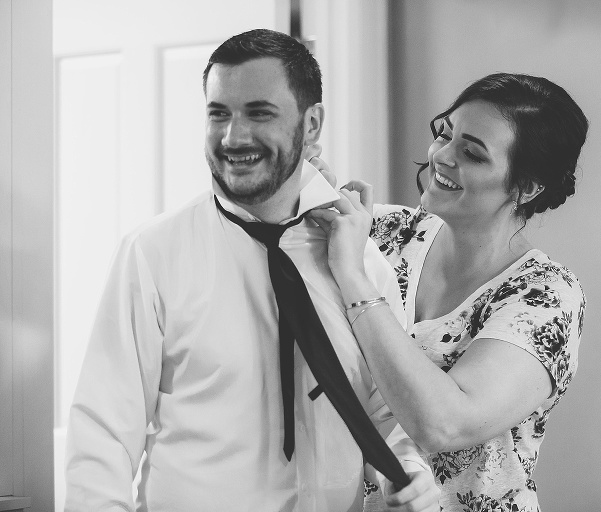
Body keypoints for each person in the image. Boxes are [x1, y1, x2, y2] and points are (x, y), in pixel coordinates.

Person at [65, 28, 439, 512]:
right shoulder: (153, 253)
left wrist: (408, 472)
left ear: (311, 125)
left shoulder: (361, 264)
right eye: (218, 113)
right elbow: (103, 435)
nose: (232, 136)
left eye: (258, 112)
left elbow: (386, 412)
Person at [307, 73, 588, 511]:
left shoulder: (544, 298)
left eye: (472, 153)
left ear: (527, 186)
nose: (442, 156)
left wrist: (354, 278)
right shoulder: (381, 233)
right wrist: (301, 185)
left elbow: (443, 425)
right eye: (444, 133)